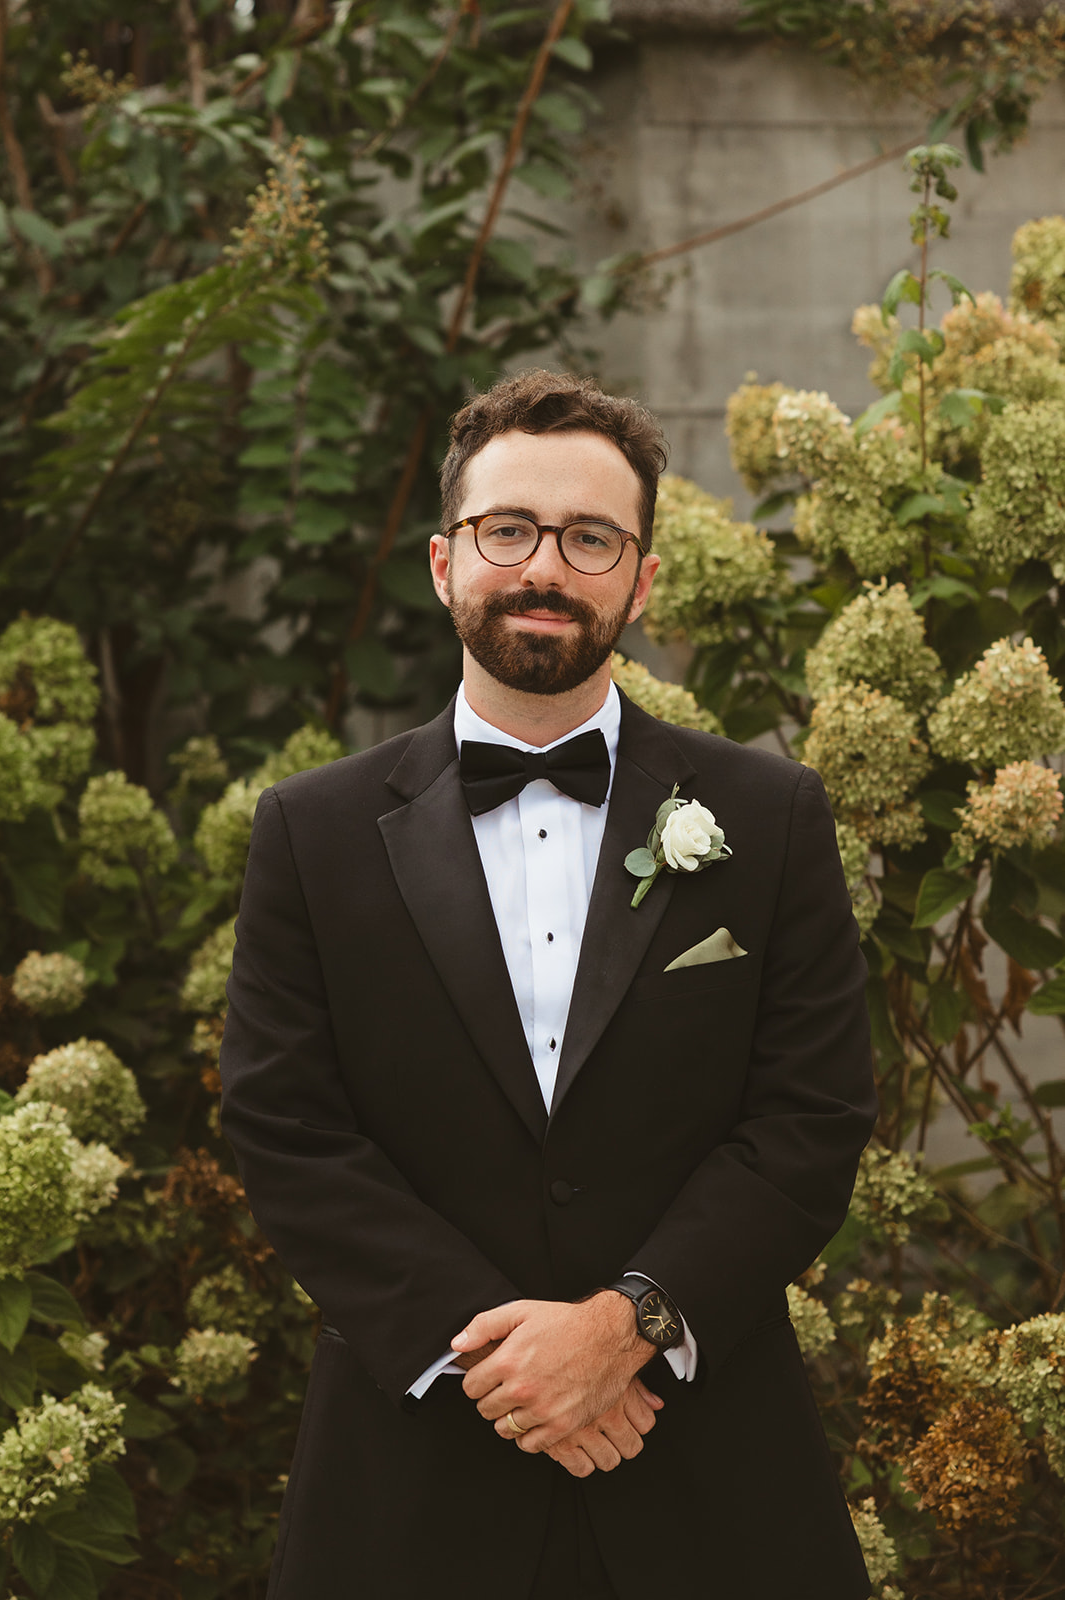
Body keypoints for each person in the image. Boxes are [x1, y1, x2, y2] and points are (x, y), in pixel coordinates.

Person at [219, 369, 878, 1600]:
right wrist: (503, 1361)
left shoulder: (767, 815)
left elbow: (811, 1114)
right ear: (442, 562)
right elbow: (284, 1124)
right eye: (506, 529)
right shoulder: (309, 830)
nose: (543, 567)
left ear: (641, 579)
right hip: (409, 1477)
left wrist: (623, 1325)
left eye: (589, 538)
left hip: (706, 1467)